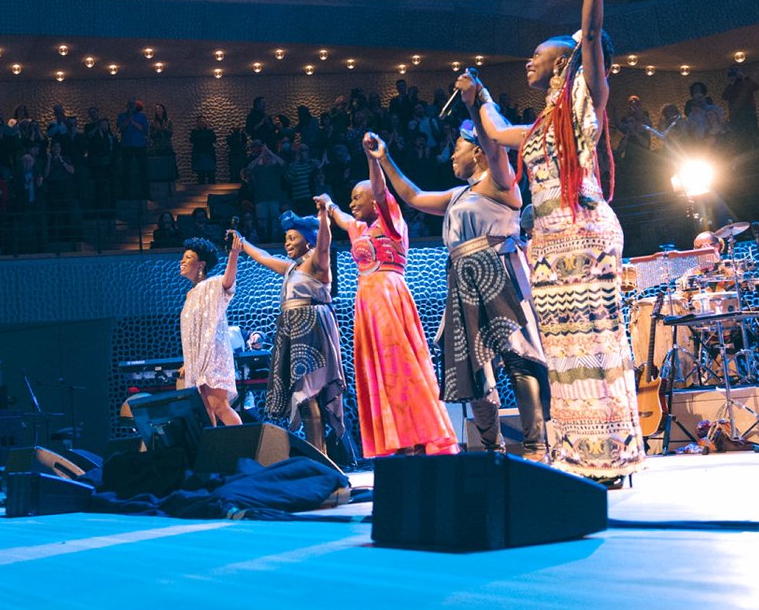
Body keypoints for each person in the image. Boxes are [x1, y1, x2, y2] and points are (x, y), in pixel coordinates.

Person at [473, 0, 644, 485]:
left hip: (583, 230)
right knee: (565, 355)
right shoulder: (544, 124)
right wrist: (479, 97)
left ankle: (611, 453)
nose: (529, 61)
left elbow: (591, 37)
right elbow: (494, 132)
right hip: (548, 242)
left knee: (593, 343)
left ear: (562, 62)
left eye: (537, 54)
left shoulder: (582, 104)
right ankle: (582, 452)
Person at [369, 74, 549, 458]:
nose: (452, 156)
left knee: (517, 356)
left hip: (498, 272)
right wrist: (384, 158)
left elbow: (494, 143)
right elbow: (413, 196)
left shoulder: (501, 183)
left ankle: (535, 446)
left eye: (457, 149)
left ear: (477, 153)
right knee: (474, 369)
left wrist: (474, 103)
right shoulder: (457, 194)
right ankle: (491, 448)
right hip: (463, 279)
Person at [318, 149, 456, 458]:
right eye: (351, 199)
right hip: (366, 301)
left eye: (357, 198)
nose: (353, 203)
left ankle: (421, 434)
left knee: (400, 367)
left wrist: (372, 158)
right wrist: (329, 205)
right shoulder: (359, 228)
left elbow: (380, 190)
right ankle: (397, 437)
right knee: (378, 370)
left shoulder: (390, 220)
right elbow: (340, 217)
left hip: (388, 296)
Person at [229, 209, 355, 466]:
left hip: (312, 329)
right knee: (304, 394)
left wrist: (322, 216)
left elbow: (325, 243)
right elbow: (263, 257)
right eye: (285, 238)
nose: (286, 242)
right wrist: (242, 242)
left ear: (308, 241)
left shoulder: (317, 263)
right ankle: (317, 458)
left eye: (292, 238)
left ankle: (321, 460)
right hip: (293, 330)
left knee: (309, 393)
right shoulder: (292, 268)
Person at [177, 235, 243, 427]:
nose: (182, 261)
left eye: (188, 258)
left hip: (213, 357)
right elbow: (193, 333)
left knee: (219, 406)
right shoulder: (191, 294)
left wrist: (234, 254)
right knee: (205, 410)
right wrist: (187, 362)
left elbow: (228, 282)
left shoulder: (212, 285)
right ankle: (214, 451)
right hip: (198, 361)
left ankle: (245, 448)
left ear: (201, 265)